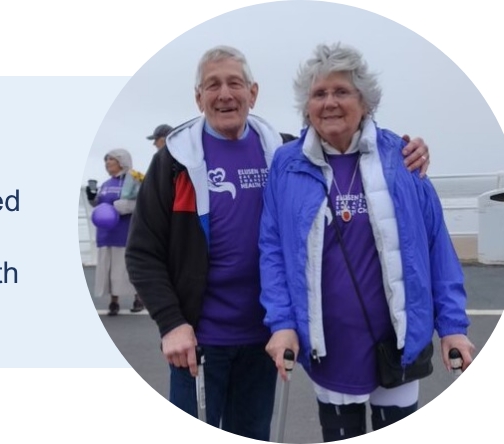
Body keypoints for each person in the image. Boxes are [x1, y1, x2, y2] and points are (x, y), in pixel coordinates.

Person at [124, 45, 431, 440]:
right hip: (197, 341)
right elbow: (142, 252)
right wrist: (172, 324)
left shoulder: (284, 153)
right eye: (212, 85)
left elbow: (352, 147)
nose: (225, 95)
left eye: (235, 83)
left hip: (266, 338)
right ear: (198, 97)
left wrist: (410, 151)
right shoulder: (175, 161)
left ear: (253, 93)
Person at [260, 42, 475, 441]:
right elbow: (272, 250)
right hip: (330, 347)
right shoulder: (286, 165)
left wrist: (453, 327)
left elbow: (435, 247)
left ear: (365, 101)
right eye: (319, 94)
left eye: (342, 91)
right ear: (306, 106)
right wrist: (282, 323)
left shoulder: (402, 157)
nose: (330, 103)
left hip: (397, 343)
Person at [86, 149, 145, 315]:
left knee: (127, 268)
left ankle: (138, 298)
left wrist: (120, 207)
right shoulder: (105, 184)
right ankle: (114, 301)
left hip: (125, 233)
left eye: (110, 160)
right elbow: (100, 206)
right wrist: (92, 198)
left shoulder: (133, 180)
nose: (107, 163)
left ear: (121, 161)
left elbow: (140, 203)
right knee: (109, 269)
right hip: (105, 235)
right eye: (106, 160)